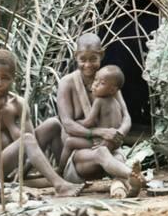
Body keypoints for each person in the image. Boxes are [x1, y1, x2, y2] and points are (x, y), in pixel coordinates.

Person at [0, 49, 83, 197]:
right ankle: (60, 186)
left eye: (5, 78)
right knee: (26, 139)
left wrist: (10, 124)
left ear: (12, 79)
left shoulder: (18, 104)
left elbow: (32, 144)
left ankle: (63, 176)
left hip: (14, 166)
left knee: (53, 124)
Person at [57, 34, 143, 197]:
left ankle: (125, 183)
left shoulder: (108, 81)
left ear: (101, 55)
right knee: (102, 153)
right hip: (80, 157)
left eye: (93, 59)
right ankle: (132, 175)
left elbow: (126, 117)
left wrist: (118, 134)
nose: (88, 65)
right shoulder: (67, 83)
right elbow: (67, 124)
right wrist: (100, 132)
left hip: (110, 148)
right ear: (76, 56)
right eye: (83, 59)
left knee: (112, 155)